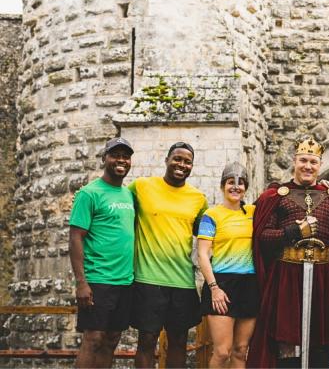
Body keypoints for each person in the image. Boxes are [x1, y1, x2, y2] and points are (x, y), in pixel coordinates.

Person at [246, 136, 329, 368]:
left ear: (319, 165)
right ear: (295, 161)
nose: (308, 166)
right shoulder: (276, 197)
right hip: (286, 277)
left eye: (313, 162)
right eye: (303, 160)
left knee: (321, 344)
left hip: (324, 279)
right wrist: (294, 231)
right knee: (286, 342)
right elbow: (263, 237)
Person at [129, 142, 208, 369]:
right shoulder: (141, 186)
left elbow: (207, 235)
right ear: (167, 160)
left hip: (182, 281)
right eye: (177, 159)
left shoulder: (198, 198)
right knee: (146, 341)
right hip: (148, 280)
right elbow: (115, 203)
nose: (181, 164)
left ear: (192, 166)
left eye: (187, 161)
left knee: (179, 342)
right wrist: (85, 198)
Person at [69, 137, 136, 368]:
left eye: (125, 156)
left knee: (111, 340)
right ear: (104, 159)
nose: (121, 160)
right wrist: (81, 282)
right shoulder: (89, 193)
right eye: (115, 155)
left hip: (124, 281)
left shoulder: (128, 195)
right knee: (93, 339)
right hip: (98, 279)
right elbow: (75, 237)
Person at [197, 163, 258, 368]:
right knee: (223, 352)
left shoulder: (253, 212)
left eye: (241, 184)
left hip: (249, 284)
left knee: (241, 351)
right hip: (222, 284)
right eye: (231, 182)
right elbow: (203, 254)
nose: (236, 187)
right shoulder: (211, 215)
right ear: (223, 186)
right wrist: (214, 288)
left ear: (246, 188)